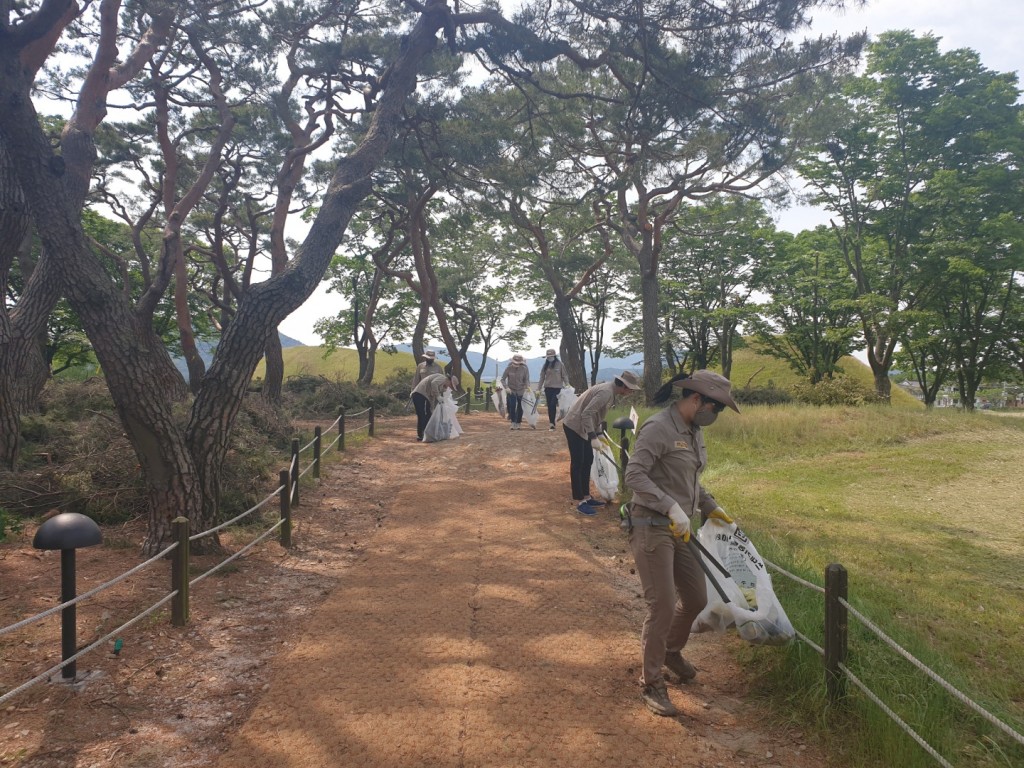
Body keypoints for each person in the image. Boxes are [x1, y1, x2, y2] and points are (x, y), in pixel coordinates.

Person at [623, 369, 740, 718]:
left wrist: (711, 507)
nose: (715, 415)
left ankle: (671, 651)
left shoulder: (694, 431)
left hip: (681, 528)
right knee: (660, 606)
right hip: (652, 526)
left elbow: (690, 480)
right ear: (695, 400)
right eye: (714, 408)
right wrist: (670, 506)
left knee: (696, 598)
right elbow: (634, 474)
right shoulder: (659, 427)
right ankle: (652, 680)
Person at [562, 370, 642, 514]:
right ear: (624, 386)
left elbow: (596, 415)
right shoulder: (605, 392)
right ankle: (580, 501)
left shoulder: (611, 392)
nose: (631, 393)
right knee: (578, 462)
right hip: (574, 425)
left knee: (588, 460)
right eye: (631, 389)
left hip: (585, 426)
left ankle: (586, 496)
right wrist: (593, 436)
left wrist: (599, 434)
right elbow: (586, 414)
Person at [411, 372, 456, 442]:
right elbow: (433, 383)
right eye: (450, 385)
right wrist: (438, 396)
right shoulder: (442, 378)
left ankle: (426, 434)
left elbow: (432, 397)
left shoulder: (443, 385)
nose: (449, 387)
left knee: (429, 414)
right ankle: (420, 435)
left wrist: (432, 407)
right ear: (449, 380)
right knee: (421, 415)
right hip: (419, 394)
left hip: (426, 396)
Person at [410, 351, 444, 440]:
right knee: (420, 413)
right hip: (420, 392)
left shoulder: (438, 368)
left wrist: (439, 395)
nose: (430, 360)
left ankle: (428, 433)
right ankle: (420, 434)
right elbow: (416, 379)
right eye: (428, 358)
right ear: (425, 358)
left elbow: (441, 383)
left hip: (431, 395)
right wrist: (412, 391)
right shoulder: (420, 366)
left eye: (431, 359)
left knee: (429, 413)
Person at [537, 348, 570, 431]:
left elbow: (564, 375)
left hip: (557, 388)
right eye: (548, 357)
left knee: (553, 404)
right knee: (550, 406)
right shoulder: (545, 366)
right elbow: (542, 377)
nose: (549, 358)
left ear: (554, 356)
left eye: (551, 356)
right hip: (548, 388)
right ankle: (551, 423)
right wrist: (538, 388)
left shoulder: (560, 365)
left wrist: (567, 384)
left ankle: (553, 422)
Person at [501, 354, 531, 431]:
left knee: (520, 407)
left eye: (518, 363)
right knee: (512, 405)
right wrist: (506, 387)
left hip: (521, 390)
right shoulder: (508, 368)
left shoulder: (524, 369)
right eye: (514, 363)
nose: (516, 364)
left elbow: (526, 379)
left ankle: (518, 422)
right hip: (511, 390)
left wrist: (528, 387)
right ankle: (513, 422)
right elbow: (502, 379)